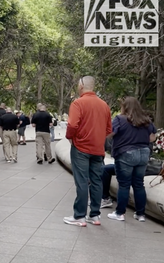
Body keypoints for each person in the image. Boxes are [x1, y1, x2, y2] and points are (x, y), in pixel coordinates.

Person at [63, 76, 112, 227]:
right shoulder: (104, 105)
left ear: (82, 86)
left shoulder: (78, 103)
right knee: (97, 181)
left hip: (81, 148)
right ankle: (95, 215)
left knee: (82, 181)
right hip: (98, 149)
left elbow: (72, 125)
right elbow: (109, 129)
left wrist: (70, 138)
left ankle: (79, 216)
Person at [105, 97, 156, 222]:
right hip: (143, 154)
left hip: (126, 153)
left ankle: (120, 213)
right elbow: (152, 138)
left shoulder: (120, 119)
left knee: (124, 184)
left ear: (125, 107)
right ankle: (140, 214)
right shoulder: (146, 121)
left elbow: (109, 134)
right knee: (139, 184)